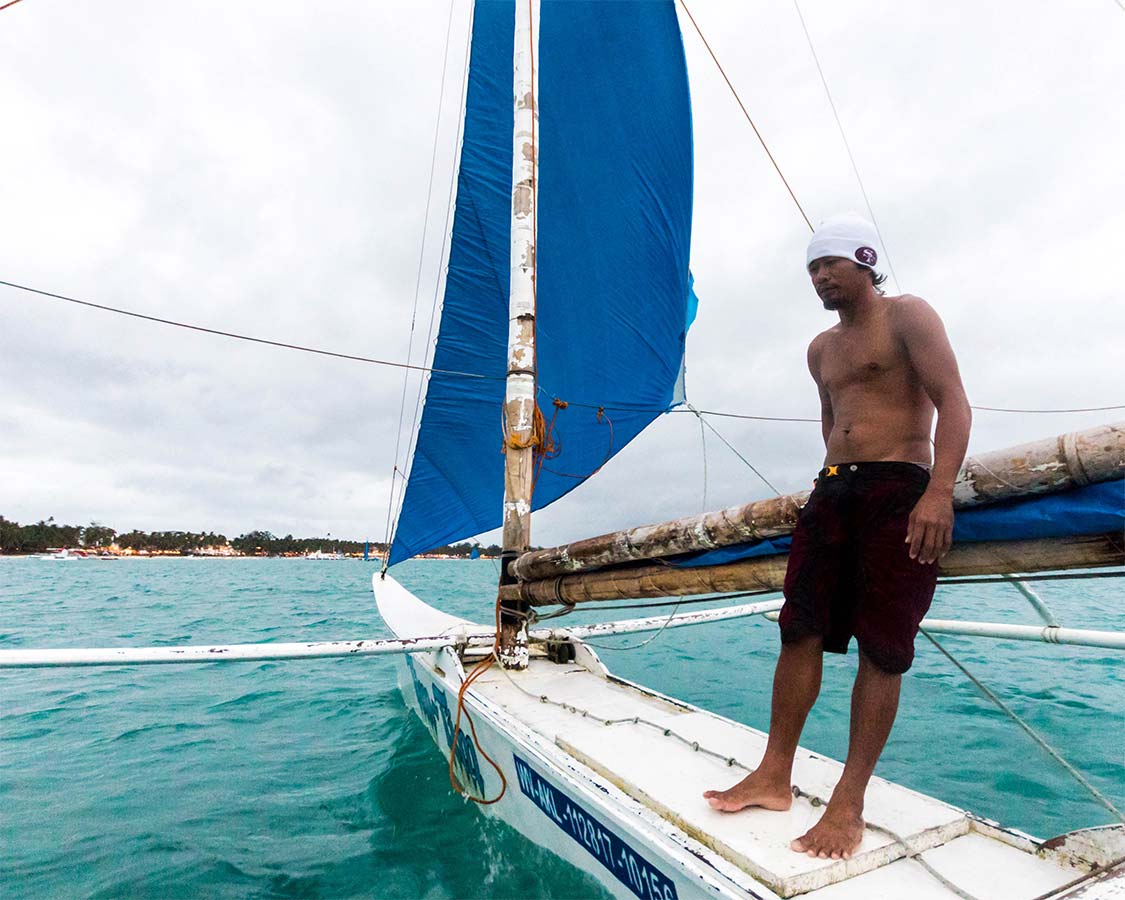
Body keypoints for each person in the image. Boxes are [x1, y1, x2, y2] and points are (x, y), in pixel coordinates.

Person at [703, 214, 972, 860]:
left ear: (863, 261)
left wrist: (937, 492)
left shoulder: (907, 316)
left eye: (829, 265)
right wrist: (828, 490)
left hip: (897, 489)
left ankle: (847, 801)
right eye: (810, 269)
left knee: (883, 644)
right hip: (833, 491)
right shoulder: (819, 350)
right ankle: (773, 774)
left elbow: (954, 402)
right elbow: (832, 425)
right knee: (798, 628)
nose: (819, 277)